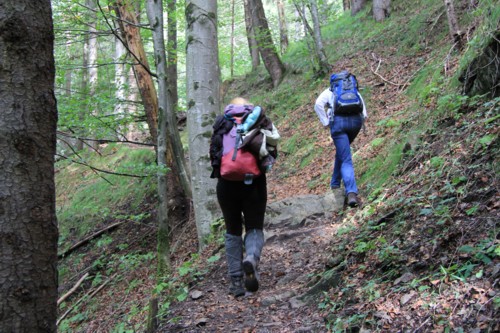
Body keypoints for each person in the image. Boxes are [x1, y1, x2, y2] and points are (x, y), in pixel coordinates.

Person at [209, 97, 280, 297]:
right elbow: (272, 147)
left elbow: (214, 153)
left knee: (232, 231)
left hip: (226, 185)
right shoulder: (259, 119)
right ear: (248, 106)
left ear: (231, 107)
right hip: (254, 183)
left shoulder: (221, 122)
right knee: (254, 227)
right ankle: (251, 257)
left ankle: (236, 282)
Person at [314, 73, 368, 207]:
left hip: (339, 124)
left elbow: (318, 104)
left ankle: (351, 192)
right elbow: (364, 112)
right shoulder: (353, 90)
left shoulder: (330, 91)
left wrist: (326, 122)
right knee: (343, 152)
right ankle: (335, 183)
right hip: (356, 123)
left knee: (345, 158)